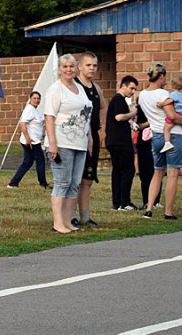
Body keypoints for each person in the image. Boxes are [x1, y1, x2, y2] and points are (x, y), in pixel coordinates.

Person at [44, 54, 92, 234]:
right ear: (60, 69)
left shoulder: (79, 88)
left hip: (80, 143)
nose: (69, 69)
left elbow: (86, 114)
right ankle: (58, 223)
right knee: (62, 182)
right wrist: (53, 143)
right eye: (65, 66)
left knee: (74, 183)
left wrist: (89, 139)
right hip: (62, 142)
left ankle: (68, 220)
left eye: (71, 66)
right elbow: (49, 117)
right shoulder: (55, 89)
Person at [138, 63, 182, 220]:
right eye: (165, 77)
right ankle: (168, 212)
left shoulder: (142, 95)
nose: (166, 80)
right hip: (173, 135)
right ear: (161, 77)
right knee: (173, 174)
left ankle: (149, 209)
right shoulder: (162, 94)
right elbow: (173, 116)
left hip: (156, 135)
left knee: (157, 173)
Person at [73, 52, 105, 227]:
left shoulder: (96, 88)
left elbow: (103, 107)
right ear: (80, 66)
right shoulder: (74, 86)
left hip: (93, 136)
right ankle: (69, 216)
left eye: (94, 65)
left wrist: (102, 128)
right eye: (88, 65)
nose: (92, 68)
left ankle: (85, 216)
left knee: (88, 178)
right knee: (74, 179)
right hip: (77, 138)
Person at [105, 75, 139, 211]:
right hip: (120, 142)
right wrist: (133, 113)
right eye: (131, 88)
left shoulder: (117, 100)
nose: (133, 92)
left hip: (115, 141)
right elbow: (119, 117)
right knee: (127, 170)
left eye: (135, 89)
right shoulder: (118, 99)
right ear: (123, 86)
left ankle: (117, 202)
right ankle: (124, 202)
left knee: (118, 171)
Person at [7, 91, 48, 189]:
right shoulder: (29, 110)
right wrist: (28, 139)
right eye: (34, 98)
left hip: (33, 140)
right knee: (40, 161)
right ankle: (43, 184)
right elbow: (22, 124)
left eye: (38, 98)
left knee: (28, 162)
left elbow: (39, 122)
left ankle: (13, 183)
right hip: (31, 142)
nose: (37, 100)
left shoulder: (35, 110)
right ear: (30, 99)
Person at [135, 101, 161, 209]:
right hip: (145, 143)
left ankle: (157, 200)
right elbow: (140, 125)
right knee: (146, 174)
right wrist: (152, 121)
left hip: (157, 140)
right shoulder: (141, 109)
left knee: (158, 171)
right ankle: (147, 200)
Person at [159, 75, 182, 155]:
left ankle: (167, 143)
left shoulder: (173, 94)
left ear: (172, 85)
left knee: (166, 129)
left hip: (176, 114)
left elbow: (170, 101)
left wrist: (161, 104)